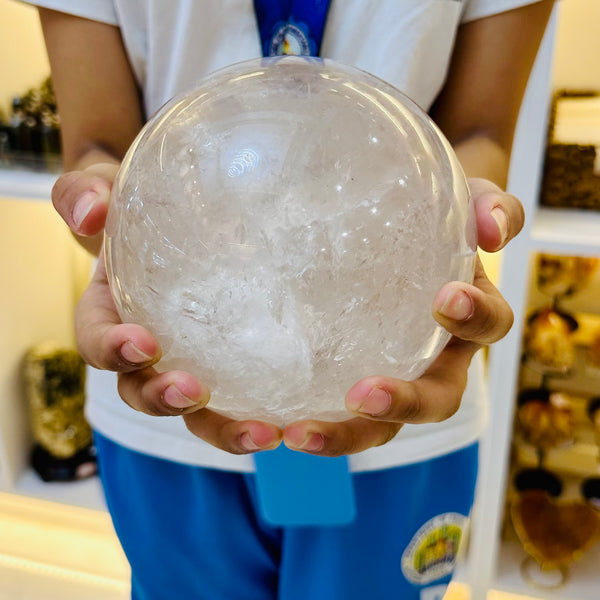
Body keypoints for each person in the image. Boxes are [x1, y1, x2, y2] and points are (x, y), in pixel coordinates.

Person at [25, 1, 553, 599]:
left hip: (396, 364)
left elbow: (480, 132)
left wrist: (459, 212)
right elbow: (97, 144)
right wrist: (101, 201)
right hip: (174, 367)